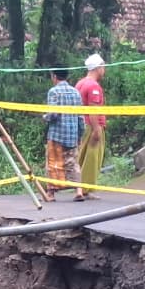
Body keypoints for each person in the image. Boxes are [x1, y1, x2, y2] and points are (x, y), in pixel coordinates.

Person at [44, 68, 86, 200]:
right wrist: (80, 133)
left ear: (54, 76)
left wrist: (45, 117)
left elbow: (53, 114)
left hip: (57, 135)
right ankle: (79, 191)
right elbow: (80, 116)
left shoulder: (54, 92)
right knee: (73, 163)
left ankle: (51, 194)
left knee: (53, 163)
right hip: (72, 134)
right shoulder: (75, 92)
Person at [75, 54, 108, 190]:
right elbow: (93, 110)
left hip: (82, 124)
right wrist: (96, 130)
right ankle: (87, 189)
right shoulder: (93, 87)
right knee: (92, 158)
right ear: (98, 68)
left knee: (82, 156)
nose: (104, 70)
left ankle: (78, 187)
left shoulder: (80, 83)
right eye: (103, 67)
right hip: (92, 125)